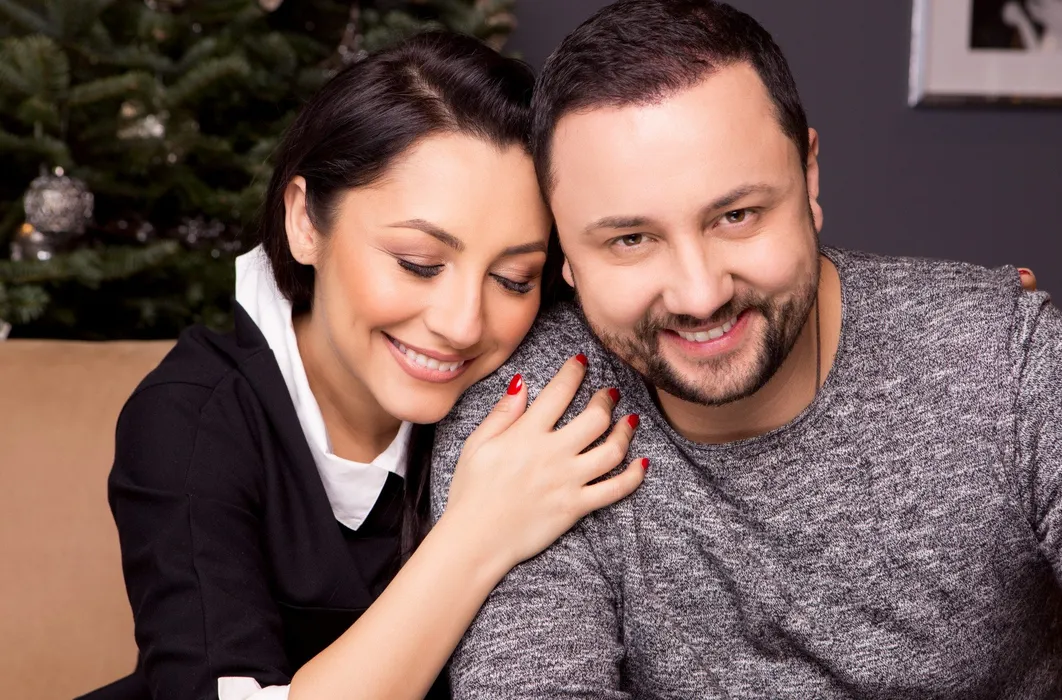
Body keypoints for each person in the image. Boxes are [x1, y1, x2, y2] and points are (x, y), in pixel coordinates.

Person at [429, 1, 1062, 698]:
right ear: (566, 250)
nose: (699, 294)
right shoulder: (526, 429)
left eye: (736, 215)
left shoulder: (1001, 356)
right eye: (630, 239)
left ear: (809, 178)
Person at [90, 32, 647, 700]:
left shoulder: (533, 401)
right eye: (418, 263)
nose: (462, 324)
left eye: (513, 279)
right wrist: (477, 535)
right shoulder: (191, 418)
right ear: (305, 223)